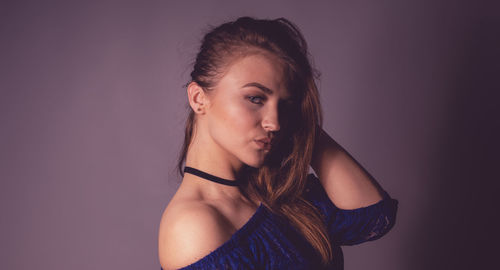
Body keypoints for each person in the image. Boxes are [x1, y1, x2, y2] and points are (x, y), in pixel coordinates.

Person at [158, 16, 398, 270]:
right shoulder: (192, 226)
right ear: (198, 98)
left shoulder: (280, 190)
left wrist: (304, 125)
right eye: (255, 98)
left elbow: (372, 215)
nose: (275, 123)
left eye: (285, 105)